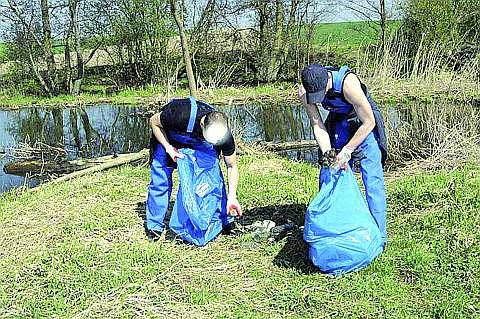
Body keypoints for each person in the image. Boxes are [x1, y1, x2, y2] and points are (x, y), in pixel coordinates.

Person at [298, 64, 388, 244]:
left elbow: (369, 122)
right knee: (329, 172)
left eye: (321, 93)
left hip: (362, 122)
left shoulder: (349, 84)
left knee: (372, 179)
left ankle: (379, 237)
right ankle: (333, 226)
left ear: (329, 80)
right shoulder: (304, 90)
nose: (320, 99)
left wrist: (347, 151)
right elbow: (317, 123)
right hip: (337, 123)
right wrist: (328, 153)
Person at [146, 96, 242, 241]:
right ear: (203, 125)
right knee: (161, 178)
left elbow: (231, 165)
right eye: (211, 139)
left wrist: (232, 196)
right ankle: (155, 226)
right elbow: (153, 121)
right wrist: (168, 148)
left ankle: (224, 219)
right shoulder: (180, 114)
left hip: (198, 143)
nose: (215, 142)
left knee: (212, 174)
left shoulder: (223, 135)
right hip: (169, 137)